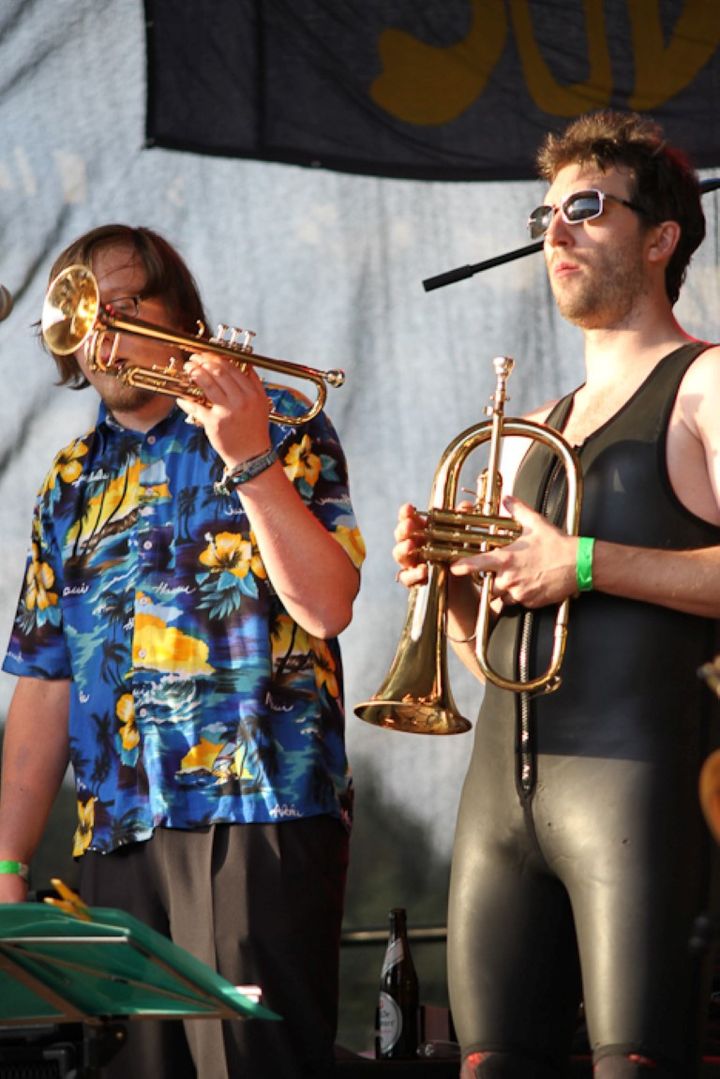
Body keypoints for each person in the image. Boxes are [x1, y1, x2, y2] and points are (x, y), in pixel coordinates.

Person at [393, 111, 720, 1078]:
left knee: (633, 1063)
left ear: (660, 238)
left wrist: (580, 563)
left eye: (586, 208)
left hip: (643, 792)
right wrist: (451, 600)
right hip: (497, 808)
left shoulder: (706, 384)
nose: (556, 232)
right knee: (486, 1062)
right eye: (546, 215)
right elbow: (492, 656)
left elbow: (570, 573)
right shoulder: (524, 432)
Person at [0, 225, 365, 1079]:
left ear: (182, 317)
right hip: (116, 834)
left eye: (126, 303)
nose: (102, 328)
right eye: (83, 311)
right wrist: (9, 862)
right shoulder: (69, 479)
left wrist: (248, 455)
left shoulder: (280, 418)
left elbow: (328, 604)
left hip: (258, 813)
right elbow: (45, 679)